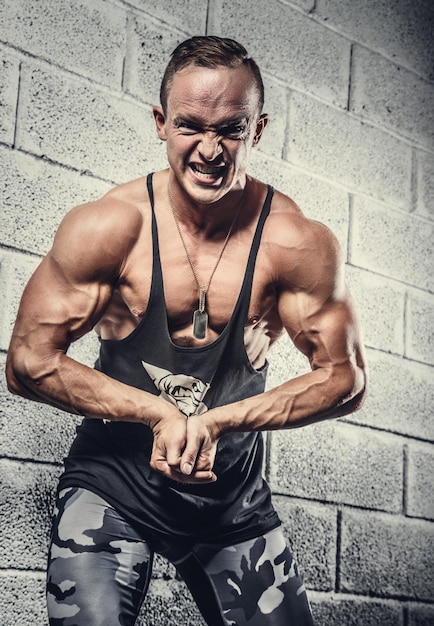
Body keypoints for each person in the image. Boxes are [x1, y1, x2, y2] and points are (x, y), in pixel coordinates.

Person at [6, 36, 367, 626]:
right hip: (114, 485)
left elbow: (346, 380)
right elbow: (27, 361)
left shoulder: (294, 242)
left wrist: (221, 421)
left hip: (231, 501)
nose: (209, 149)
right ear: (160, 123)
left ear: (258, 129)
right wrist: (159, 415)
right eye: (190, 126)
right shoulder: (110, 227)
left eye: (231, 129)